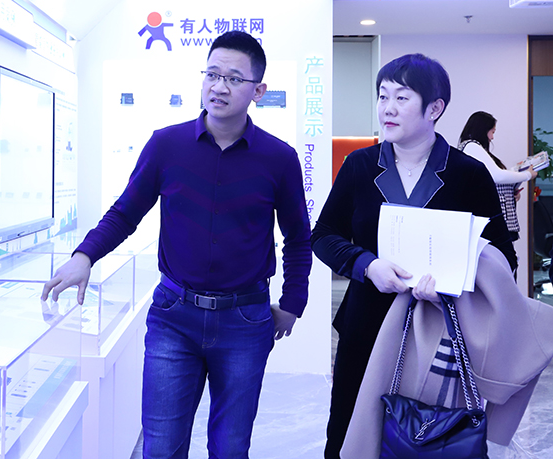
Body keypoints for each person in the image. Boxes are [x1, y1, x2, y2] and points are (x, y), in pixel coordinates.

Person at [42, 30, 313, 459]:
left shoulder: (278, 158)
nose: (219, 86)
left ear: (258, 90)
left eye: (234, 79)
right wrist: (84, 255)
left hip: (245, 320)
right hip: (174, 317)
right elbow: (125, 213)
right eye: (212, 74)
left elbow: (298, 237)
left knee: (230, 449)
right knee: (162, 447)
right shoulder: (166, 145)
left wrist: (294, 302)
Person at [310, 53, 517, 459]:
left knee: (430, 438)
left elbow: (502, 257)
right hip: (366, 327)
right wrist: (367, 264)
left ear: (434, 108)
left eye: (402, 98)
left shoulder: (467, 173)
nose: (387, 108)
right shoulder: (359, 166)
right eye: (383, 96)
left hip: (441, 331)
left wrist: (452, 283)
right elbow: (324, 235)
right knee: (351, 433)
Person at [458, 110, 536, 243]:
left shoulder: (472, 147)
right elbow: (496, 176)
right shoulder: (472, 146)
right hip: (487, 216)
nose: (492, 137)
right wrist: (527, 175)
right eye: (492, 132)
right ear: (483, 129)